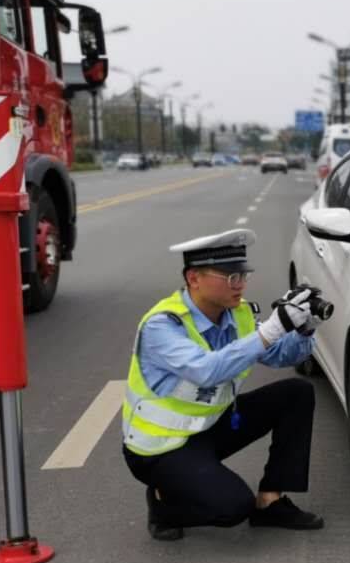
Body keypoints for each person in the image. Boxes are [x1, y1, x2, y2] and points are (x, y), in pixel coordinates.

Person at [122, 228, 327, 541]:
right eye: (231, 277)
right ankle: (163, 503)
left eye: (243, 275)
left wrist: (304, 329)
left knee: (296, 393)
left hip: (210, 427)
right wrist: (273, 328)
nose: (241, 284)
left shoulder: (238, 314)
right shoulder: (163, 325)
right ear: (194, 278)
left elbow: (278, 355)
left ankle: (270, 501)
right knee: (232, 508)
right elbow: (207, 371)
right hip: (160, 449)